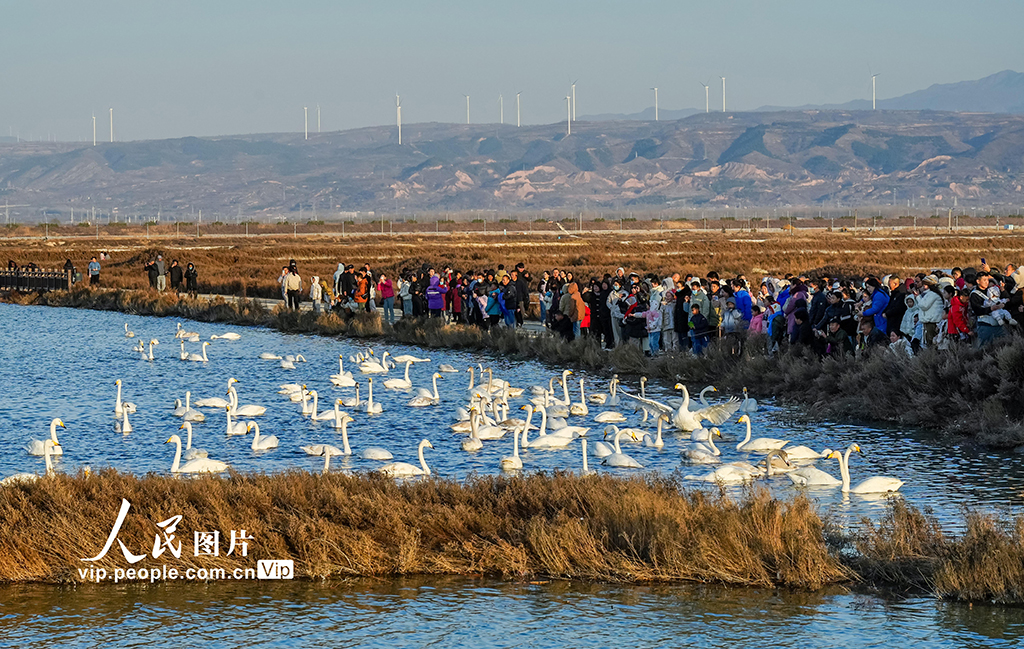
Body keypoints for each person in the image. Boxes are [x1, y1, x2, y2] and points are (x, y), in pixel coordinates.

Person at [970, 272, 1005, 346]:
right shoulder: (974, 294)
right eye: (984, 280)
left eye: (987, 280)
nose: (987, 282)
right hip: (985, 325)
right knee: (985, 348)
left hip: (997, 324)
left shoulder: (992, 291)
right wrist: (991, 308)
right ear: (978, 281)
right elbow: (977, 310)